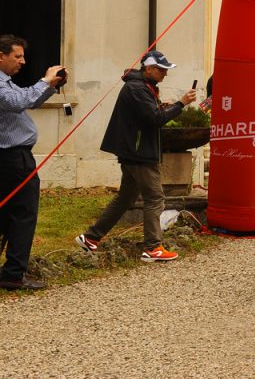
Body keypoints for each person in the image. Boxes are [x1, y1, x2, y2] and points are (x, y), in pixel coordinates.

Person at [76, 50, 196, 262]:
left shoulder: (142, 86)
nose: (165, 74)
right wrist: (180, 104)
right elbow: (155, 119)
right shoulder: (137, 88)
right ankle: (152, 247)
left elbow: (148, 115)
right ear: (149, 69)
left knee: (126, 197)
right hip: (140, 153)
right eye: (162, 70)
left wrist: (162, 106)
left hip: (135, 150)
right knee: (155, 197)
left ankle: (91, 237)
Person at [0, 36, 65, 290]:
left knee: (6, 214)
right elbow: (18, 102)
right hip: (13, 159)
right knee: (24, 214)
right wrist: (45, 80)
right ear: (1, 56)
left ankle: (11, 271)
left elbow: (30, 100)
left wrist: (51, 87)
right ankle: (14, 275)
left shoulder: (7, 82)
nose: (23, 61)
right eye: (18, 56)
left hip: (12, 158)